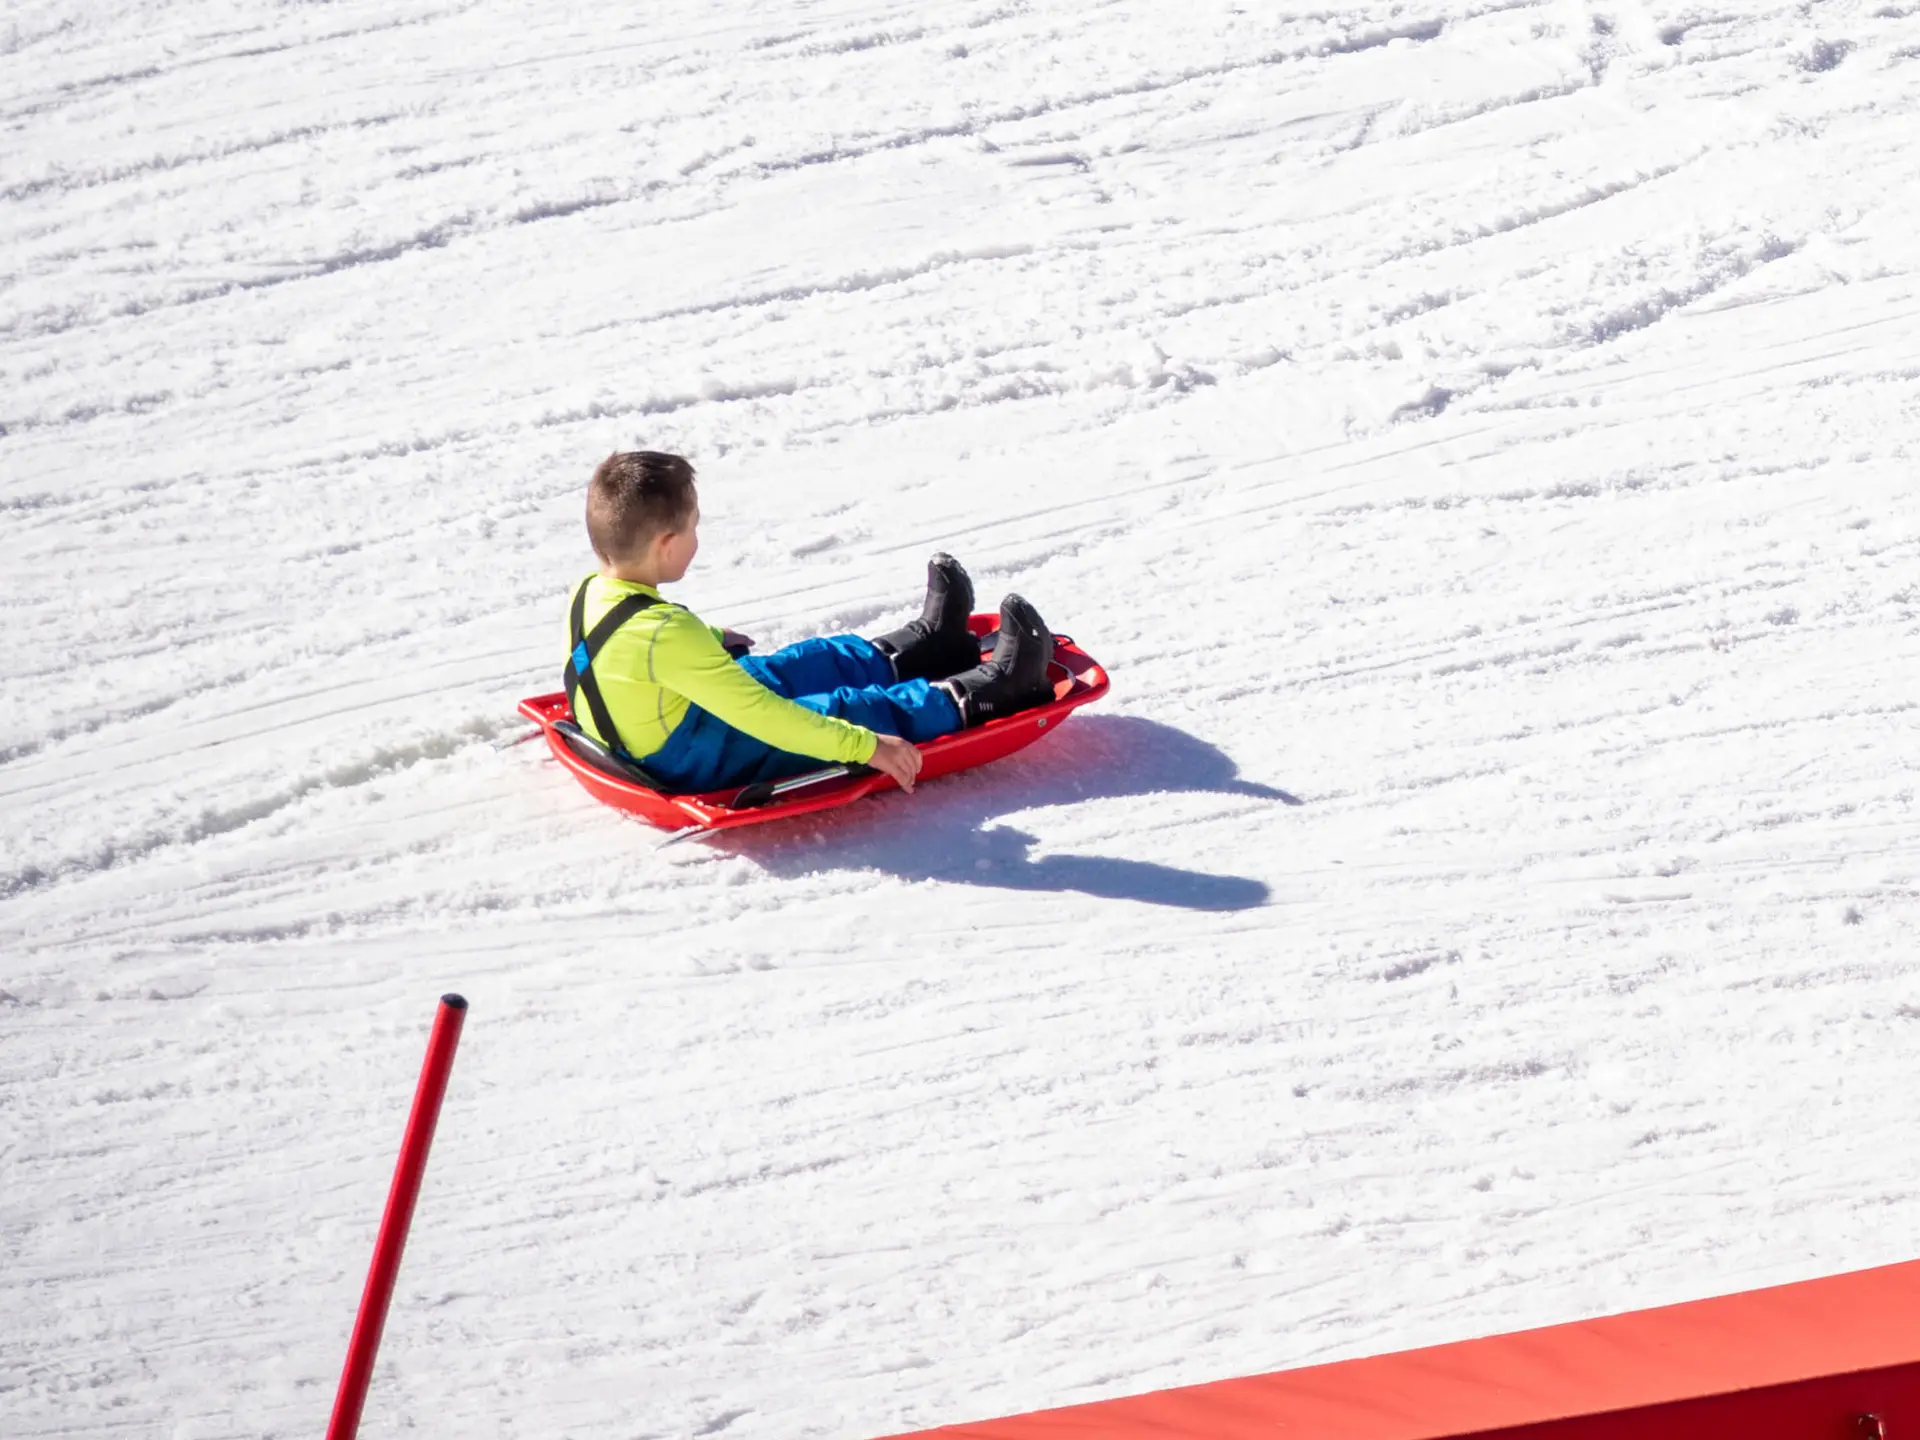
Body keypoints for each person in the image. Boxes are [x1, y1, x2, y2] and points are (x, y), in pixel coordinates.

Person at [563, 450, 1057, 795]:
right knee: (846, 710)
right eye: (694, 528)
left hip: (673, 717)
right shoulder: (669, 634)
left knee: (800, 663)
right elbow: (765, 717)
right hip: (692, 759)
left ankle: (928, 649)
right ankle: (990, 692)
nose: (698, 538)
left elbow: (630, 655)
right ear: (665, 544)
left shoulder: (590, 592)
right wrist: (866, 747)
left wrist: (712, 640)